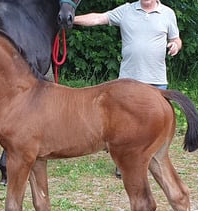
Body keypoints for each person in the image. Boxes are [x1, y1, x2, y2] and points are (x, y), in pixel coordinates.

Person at [74, 0, 182, 177]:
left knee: (155, 126)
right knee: (125, 128)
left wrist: (176, 45)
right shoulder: (126, 10)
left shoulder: (168, 13)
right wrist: (72, 19)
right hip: (129, 82)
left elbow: (175, 38)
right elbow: (99, 18)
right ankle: (124, 164)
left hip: (156, 81)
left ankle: (152, 161)